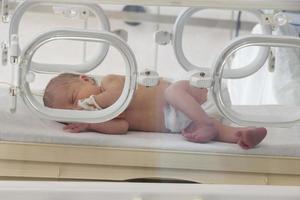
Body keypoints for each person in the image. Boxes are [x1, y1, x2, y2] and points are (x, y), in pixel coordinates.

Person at [43, 73, 267, 149]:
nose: (78, 108)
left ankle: (206, 123)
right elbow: (122, 127)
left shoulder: (110, 82)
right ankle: (243, 134)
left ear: (86, 79)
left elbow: (123, 93)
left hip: (186, 96)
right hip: (176, 122)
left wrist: (92, 105)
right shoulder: (105, 115)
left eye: (74, 99)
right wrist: (92, 123)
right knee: (217, 131)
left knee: (172, 91)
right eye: (70, 114)